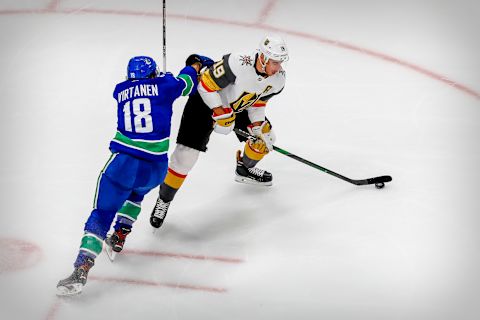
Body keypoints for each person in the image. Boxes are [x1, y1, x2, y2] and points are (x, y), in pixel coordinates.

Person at [56, 54, 213, 296]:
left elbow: (142, 91)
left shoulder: (120, 90)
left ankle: (81, 268)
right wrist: (192, 66)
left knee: (102, 213)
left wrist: (160, 81)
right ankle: (119, 236)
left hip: (124, 163)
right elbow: (188, 82)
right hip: (155, 168)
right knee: (136, 196)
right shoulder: (166, 86)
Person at [148, 34, 288, 229]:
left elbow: (258, 102)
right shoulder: (237, 63)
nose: (278, 67)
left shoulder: (278, 79)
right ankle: (164, 199)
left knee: (266, 137)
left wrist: (257, 127)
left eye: (280, 62)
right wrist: (220, 113)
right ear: (263, 58)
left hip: (236, 106)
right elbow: (205, 85)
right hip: (204, 103)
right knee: (185, 158)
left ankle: (245, 168)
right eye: (275, 62)